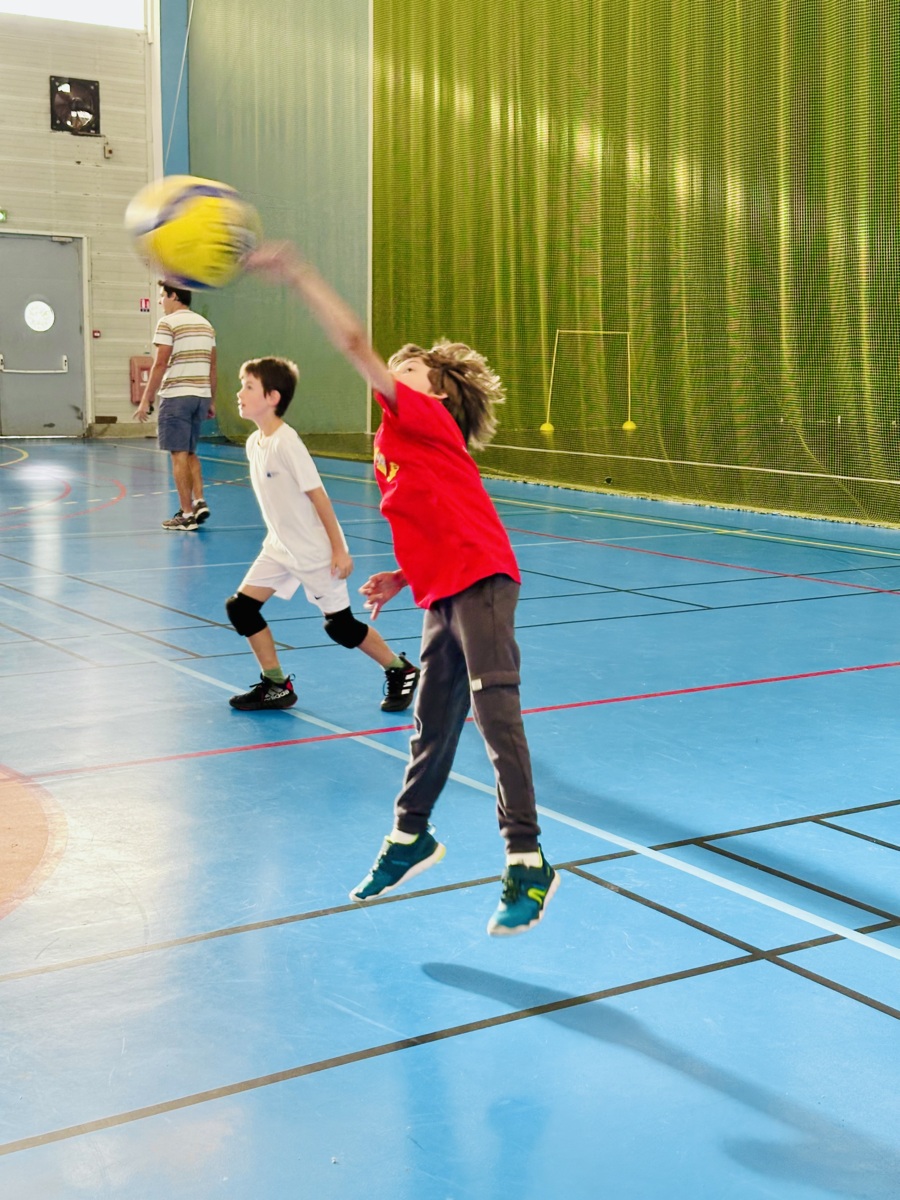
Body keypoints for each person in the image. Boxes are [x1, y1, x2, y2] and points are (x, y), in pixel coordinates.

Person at [246, 242, 557, 937]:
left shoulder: (421, 414)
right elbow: (442, 512)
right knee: (432, 720)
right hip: (443, 589)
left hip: (481, 579)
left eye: (407, 367)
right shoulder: (398, 439)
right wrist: (403, 574)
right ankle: (410, 835)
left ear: (435, 391)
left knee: (495, 715)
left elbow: (353, 341)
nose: (392, 370)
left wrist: (300, 273)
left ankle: (527, 857)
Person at [225, 355, 420, 715]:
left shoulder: (287, 442)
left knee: (340, 627)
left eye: (248, 386)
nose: (240, 393)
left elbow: (319, 497)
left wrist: (339, 550)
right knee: (241, 609)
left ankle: (400, 669)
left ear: (272, 397)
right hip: (279, 548)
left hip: (314, 552)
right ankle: (275, 685)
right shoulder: (255, 443)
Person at [133, 281, 216, 531]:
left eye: (162, 296)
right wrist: (211, 399)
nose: (160, 301)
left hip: (177, 396)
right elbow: (212, 366)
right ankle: (199, 501)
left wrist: (146, 399)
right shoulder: (206, 325)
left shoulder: (167, 323)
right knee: (190, 451)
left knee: (178, 454)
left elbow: (160, 364)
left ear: (174, 296)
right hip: (200, 395)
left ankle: (187, 515)